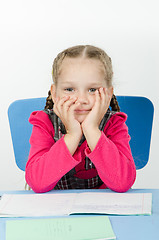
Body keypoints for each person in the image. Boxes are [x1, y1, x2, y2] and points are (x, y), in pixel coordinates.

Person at [25, 45, 136, 193]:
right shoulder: (44, 122)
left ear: (108, 93)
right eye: (69, 89)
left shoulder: (114, 124)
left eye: (92, 90)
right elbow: (37, 183)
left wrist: (91, 129)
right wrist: (72, 135)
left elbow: (122, 183)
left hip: (105, 209)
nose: (82, 100)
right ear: (54, 92)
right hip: (55, 210)